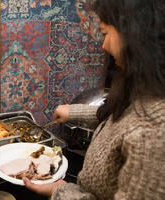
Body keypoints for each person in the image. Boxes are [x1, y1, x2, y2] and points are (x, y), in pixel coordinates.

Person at [23, 0, 165, 199]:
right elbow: (118, 117)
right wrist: (72, 112)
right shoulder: (143, 90)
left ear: (136, 35)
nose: (103, 45)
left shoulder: (154, 132)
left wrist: (60, 191)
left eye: (106, 33)